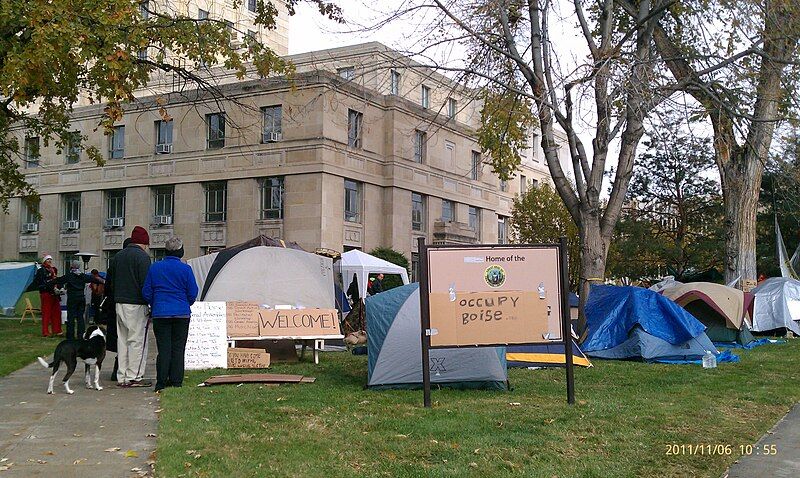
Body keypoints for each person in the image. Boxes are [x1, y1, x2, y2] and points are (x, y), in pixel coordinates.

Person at [142, 237, 198, 392]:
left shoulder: (155, 268)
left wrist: (155, 303)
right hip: (181, 313)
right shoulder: (186, 269)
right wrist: (185, 303)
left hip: (161, 313)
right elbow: (193, 292)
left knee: (164, 348)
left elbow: (146, 291)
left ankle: (161, 381)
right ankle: (176, 381)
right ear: (181, 251)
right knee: (179, 348)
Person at [107, 226, 152, 388]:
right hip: (137, 304)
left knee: (123, 340)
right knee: (137, 340)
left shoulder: (118, 256)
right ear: (144, 243)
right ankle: (134, 376)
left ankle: (123, 375)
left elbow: (111, 281)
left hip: (119, 302)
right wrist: (150, 302)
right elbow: (146, 284)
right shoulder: (143, 258)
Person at [49, 260, 105, 340]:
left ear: (72, 266)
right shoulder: (83, 276)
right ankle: (81, 335)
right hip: (81, 297)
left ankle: (70, 336)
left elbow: (58, 280)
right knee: (80, 317)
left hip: (72, 297)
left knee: (71, 317)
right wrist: (103, 281)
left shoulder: (69, 276)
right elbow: (95, 279)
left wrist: (49, 282)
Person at [34, 255, 62, 337]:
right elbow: (42, 282)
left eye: (50, 259)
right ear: (44, 261)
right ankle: (45, 331)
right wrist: (50, 284)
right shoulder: (41, 270)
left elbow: (55, 279)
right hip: (46, 293)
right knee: (46, 313)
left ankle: (57, 330)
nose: (49, 261)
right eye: (48, 259)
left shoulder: (53, 269)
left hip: (54, 293)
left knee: (56, 312)